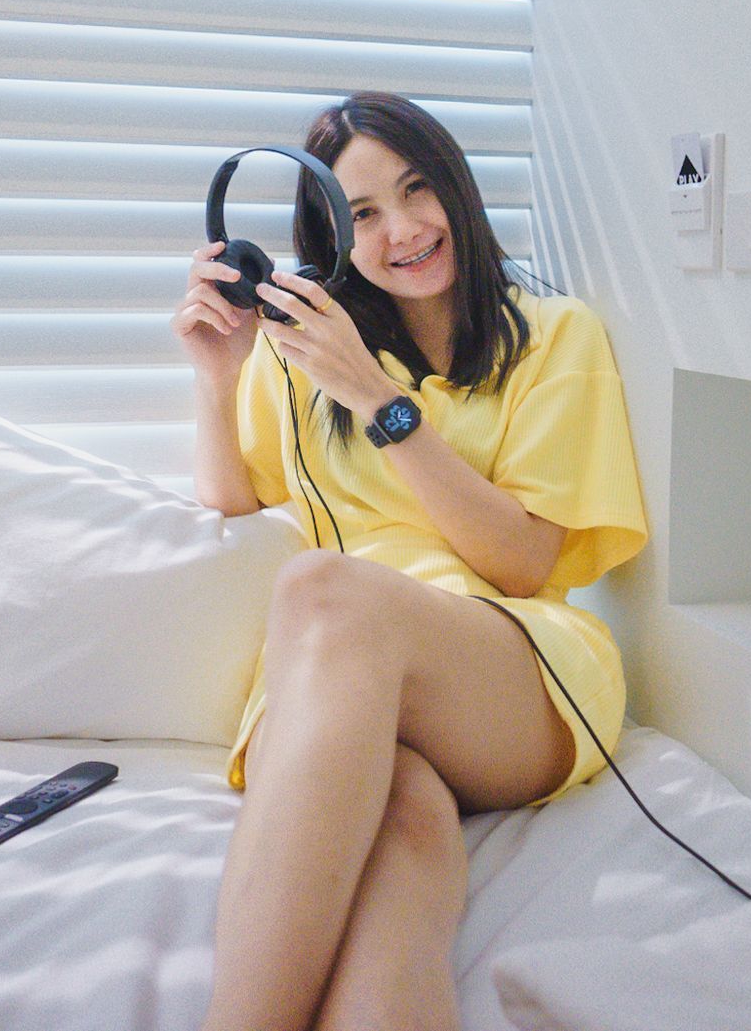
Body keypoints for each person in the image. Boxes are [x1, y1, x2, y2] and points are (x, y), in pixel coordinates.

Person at [175, 91, 648, 1031]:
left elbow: (522, 563)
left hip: (503, 672)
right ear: (330, 239)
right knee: (405, 834)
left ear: (458, 190)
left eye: (418, 189)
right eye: (363, 214)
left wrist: (378, 397)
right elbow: (232, 501)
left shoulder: (555, 337)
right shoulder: (299, 353)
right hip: (334, 686)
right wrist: (218, 377)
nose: (404, 229)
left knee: (322, 586)